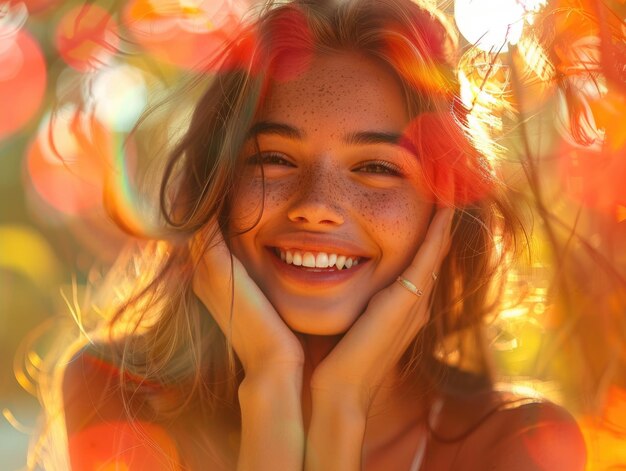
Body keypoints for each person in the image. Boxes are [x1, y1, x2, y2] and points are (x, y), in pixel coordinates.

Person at [49, 0, 587, 470]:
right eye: (275, 159)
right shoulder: (116, 393)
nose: (317, 207)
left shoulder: (521, 445)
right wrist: (270, 384)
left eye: (377, 167)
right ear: (216, 188)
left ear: (443, 215)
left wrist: (342, 403)